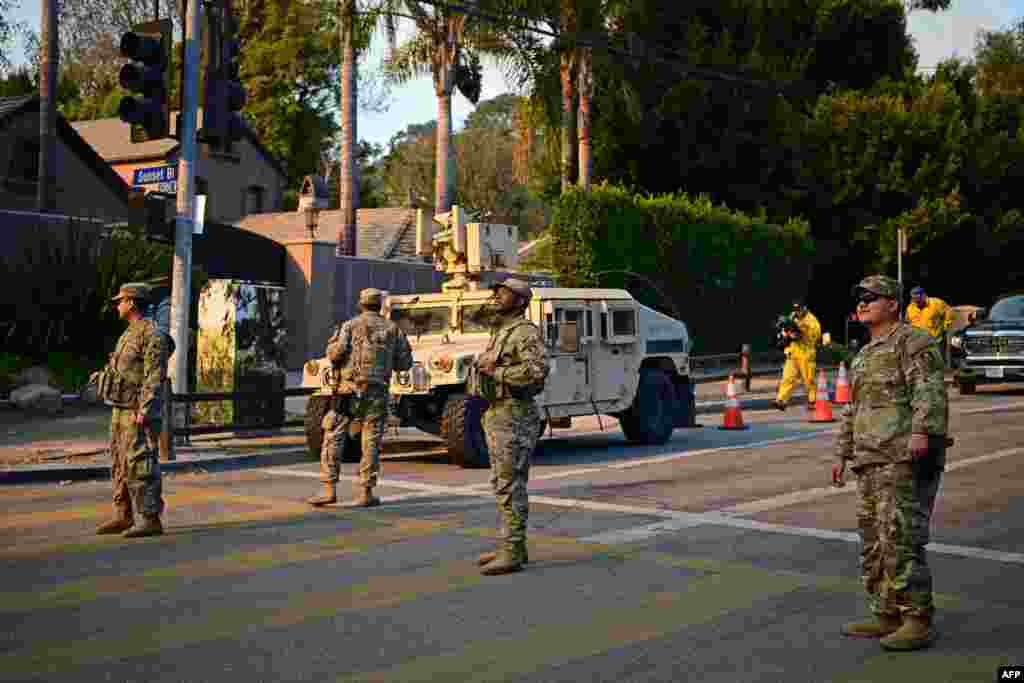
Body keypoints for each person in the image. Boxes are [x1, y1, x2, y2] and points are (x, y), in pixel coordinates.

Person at [835, 275, 948, 652]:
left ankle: (917, 617)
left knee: (902, 538)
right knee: (874, 541)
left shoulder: (913, 342)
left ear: (893, 304)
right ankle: (886, 611)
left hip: (903, 457)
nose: (862, 302)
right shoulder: (864, 355)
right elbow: (853, 408)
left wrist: (922, 434)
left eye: (871, 297)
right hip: (869, 460)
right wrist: (842, 452)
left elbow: (929, 391)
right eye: (859, 297)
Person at [471, 278, 549, 576]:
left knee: (509, 484)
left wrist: (498, 371)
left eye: (503, 293)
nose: (496, 296)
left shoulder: (525, 333)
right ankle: (511, 545)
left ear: (519, 301)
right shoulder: (502, 330)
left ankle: (512, 551)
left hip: (515, 414)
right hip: (499, 412)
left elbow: (538, 371)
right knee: (502, 483)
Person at [308, 288, 413, 508]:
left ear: (361, 304)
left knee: (333, 436)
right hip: (377, 392)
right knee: (371, 440)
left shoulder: (349, 325)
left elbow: (335, 354)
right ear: (380, 305)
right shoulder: (393, 329)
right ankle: (366, 492)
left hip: (348, 391)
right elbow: (404, 363)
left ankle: (328, 489)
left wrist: (333, 347)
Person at [92, 283, 168, 538]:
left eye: (120, 301)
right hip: (120, 408)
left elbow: (154, 376)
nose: (117, 305)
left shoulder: (151, 334)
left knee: (140, 462)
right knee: (120, 462)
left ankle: (149, 517)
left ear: (132, 303)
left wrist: (145, 409)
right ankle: (122, 515)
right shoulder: (128, 333)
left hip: (137, 409)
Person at [773, 301, 822, 411]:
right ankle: (781, 400)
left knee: (809, 380)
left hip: (806, 354)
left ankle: (812, 401)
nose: (797, 312)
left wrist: (800, 333)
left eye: (799, 310)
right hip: (794, 352)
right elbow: (788, 328)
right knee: (787, 377)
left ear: (805, 308)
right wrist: (785, 333)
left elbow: (814, 336)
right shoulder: (793, 316)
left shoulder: (812, 321)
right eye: (795, 310)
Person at [907, 287, 954, 360]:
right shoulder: (910, 308)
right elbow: (907, 323)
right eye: (914, 299)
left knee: (938, 363)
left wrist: (946, 326)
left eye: (919, 299)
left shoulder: (936, 303)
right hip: (918, 343)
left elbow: (949, 313)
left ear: (924, 296)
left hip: (935, 341)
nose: (917, 302)